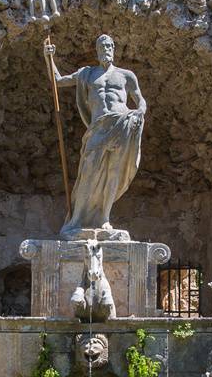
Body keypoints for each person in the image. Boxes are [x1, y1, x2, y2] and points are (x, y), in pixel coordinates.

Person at [45, 33, 146, 238]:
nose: (105, 50)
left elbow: (140, 100)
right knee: (87, 174)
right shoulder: (88, 74)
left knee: (113, 173)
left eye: (109, 46)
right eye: (101, 47)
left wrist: (140, 112)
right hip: (98, 128)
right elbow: (57, 81)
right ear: (97, 51)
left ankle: (104, 218)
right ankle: (76, 220)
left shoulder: (126, 75)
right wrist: (49, 58)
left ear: (113, 49)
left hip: (122, 124)